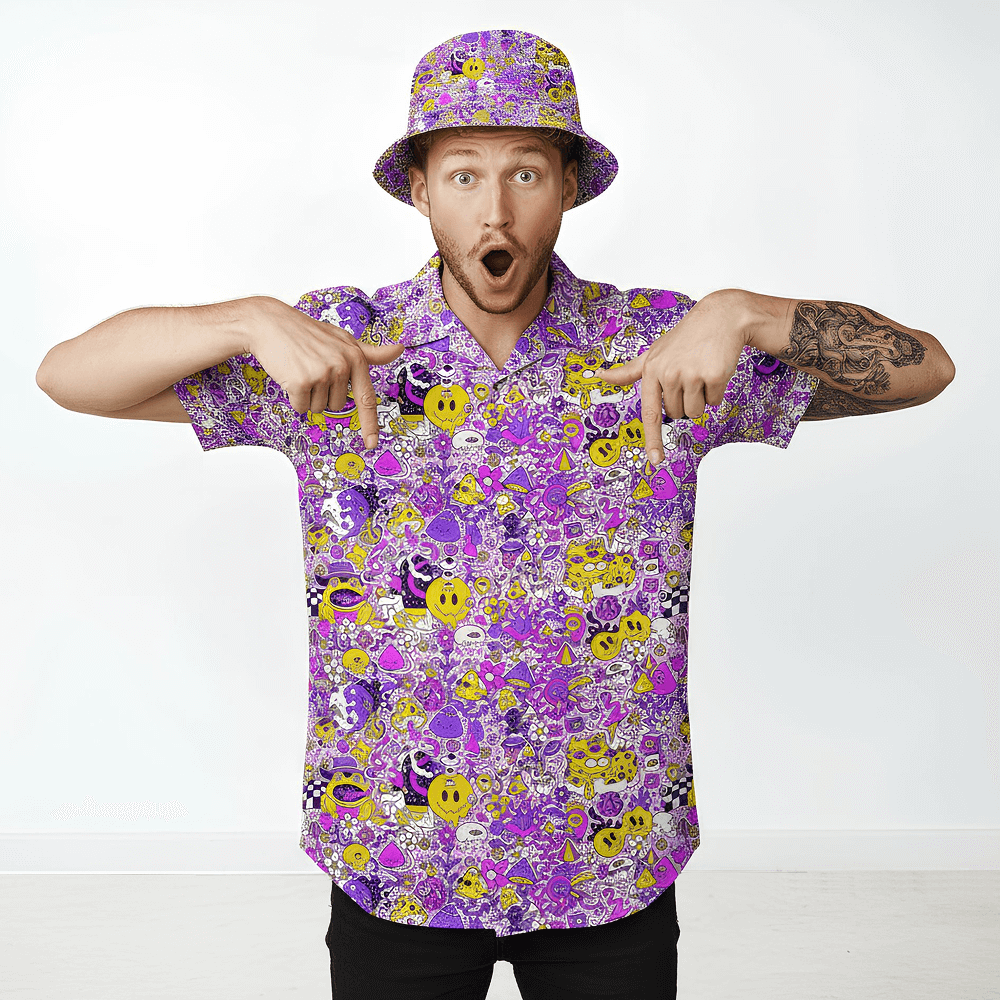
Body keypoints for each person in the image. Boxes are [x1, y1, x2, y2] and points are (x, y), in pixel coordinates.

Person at [35, 27, 955, 1000]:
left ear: (565, 187)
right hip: (399, 854)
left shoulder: (665, 344)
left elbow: (924, 370)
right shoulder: (334, 345)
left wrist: (747, 311)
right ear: (421, 192)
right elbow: (68, 376)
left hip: (610, 851)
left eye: (525, 172)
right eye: (464, 175)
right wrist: (243, 318)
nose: (495, 206)